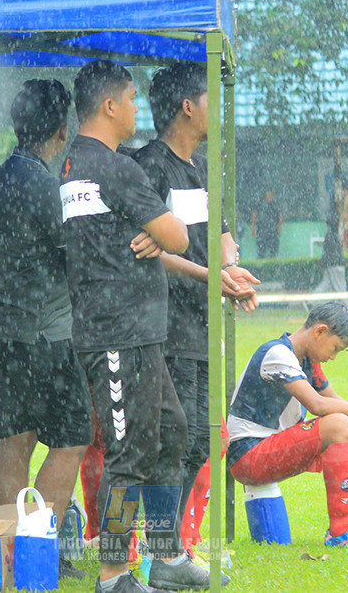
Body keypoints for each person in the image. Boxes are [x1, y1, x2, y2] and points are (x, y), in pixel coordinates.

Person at [59, 59, 218, 593]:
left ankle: (167, 553)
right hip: (114, 335)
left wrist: (145, 227)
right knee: (127, 455)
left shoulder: (73, 163)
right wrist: (155, 228)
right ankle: (112, 574)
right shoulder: (114, 167)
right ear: (109, 106)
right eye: (130, 99)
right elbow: (174, 234)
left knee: (171, 431)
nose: (136, 109)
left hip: (140, 332)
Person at [132, 62, 259, 553]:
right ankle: (157, 546)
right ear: (188, 106)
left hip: (205, 327)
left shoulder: (205, 166)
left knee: (204, 440)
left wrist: (236, 270)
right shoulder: (150, 167)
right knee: (173, 440)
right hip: (166, 326)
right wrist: (212, 278)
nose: (218, 109)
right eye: (211, 98)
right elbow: (148, 250)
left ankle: (173, 545)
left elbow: (223, 239)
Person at [0, 80, 91, 581]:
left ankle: (4, 559)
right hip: (45, 336)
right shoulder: (46, 185)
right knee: (72, 439)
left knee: (13, 443)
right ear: (62, 131)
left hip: (1, 333)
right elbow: (74, 254)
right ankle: (35, 550)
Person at [226, 302, 348, 548]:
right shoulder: (277, 353)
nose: (332, 357)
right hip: (248, 454)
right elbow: (318, 405)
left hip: (271, 448)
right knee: (339, 423)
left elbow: (333, 400)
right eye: (335, 348)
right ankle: (340, 533)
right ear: (319, 332)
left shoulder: (309, 362)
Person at [251, 189, 282, 258]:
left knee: (273, 251)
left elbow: (280, 216)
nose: (269, 196)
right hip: (262, 230)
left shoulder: (275, 204)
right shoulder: (260, 204)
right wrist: (253, 227)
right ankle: (260, 265)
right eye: (267, 195)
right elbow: (254, 214)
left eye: (270, 195)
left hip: (273, 230)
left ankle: (272, 264)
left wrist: (279, 227)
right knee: (261, 250)